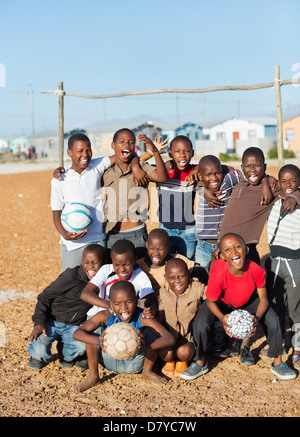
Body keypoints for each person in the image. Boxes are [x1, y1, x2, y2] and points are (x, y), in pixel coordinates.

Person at [180, 233, 297, 381]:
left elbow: (264, 300)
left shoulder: (255, 269)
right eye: (227, 250)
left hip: (248, 301)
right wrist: (223, 319)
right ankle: (199, 361)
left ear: (246, 249)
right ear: (222, 256)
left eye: (237, 247)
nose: (234, 252)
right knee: (201, 322)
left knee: (273, 319)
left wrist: (257, 318)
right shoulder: (219, 270)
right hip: (222, 303)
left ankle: (278, 362)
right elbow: (210, 301)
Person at [51, 132, 148, 271]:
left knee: (99, 284)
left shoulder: (97, 166)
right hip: (73, 244)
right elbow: (56, 213)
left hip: (98, 240)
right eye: (80, 151)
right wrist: (65, 235)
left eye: (88, 150)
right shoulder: (60, 180)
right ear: (69, 153)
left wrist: (136, 166)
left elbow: (126, 155)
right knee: (70, 282)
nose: (85, 154)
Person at [73, 280, 175, 392]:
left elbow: (169, 338)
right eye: (117, 304)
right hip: (109, 361)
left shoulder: (142, 317)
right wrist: (99, 340)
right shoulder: (105, 315)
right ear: (111, 304)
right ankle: (93, 377)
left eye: (128, 301)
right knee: (92, 333)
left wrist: (146, 346)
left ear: (136, 301)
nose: (124, 308)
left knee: (151, 332)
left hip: (135, 363)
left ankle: (147, 372)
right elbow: (77, 333)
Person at [27, 244, 105, 371]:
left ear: (104, 262)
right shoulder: (71, 276)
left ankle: (65, 354)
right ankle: (38, 356)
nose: (90, 266)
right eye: (86, 262)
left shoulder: (102, 281)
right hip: (51, 321)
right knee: (38, 350)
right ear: (81, 262)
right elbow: (44, 297)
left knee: (80, 347)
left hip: (74, 326)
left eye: (95, 262)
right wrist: (39, 323)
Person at [219, 147, 300, 265]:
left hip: (246, 248)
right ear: (242, 168)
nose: (252, 170)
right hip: (223, 246)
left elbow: (290, 189)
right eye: (247, 166)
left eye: (257, 165)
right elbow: (214, 168)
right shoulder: (238, 184)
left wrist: (294, 198)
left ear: (265, 167)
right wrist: (264, 179)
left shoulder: (272, 189)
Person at [103, 129, 167, 260]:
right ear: (113, 145)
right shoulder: (106, 170)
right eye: (121, 142)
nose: (126, 145)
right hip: (112, 234)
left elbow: (161, 177)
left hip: (137, 234)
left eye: (131, 142)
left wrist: (155, 152)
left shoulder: (142, 166)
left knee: (140, 273)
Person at [265, 164, 300, 370]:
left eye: (292, 181)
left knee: (296, 309)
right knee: (277, 306)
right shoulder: (275, 200)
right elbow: (260, 177)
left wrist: (297, 196)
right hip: (275, 262)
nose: (288, 185)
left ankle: (297, 348)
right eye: (283, 181)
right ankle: (279, 344)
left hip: (295, 263)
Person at [80, 239, 157, 319]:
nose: (122, 269)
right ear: (112, 260)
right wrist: (110, 305)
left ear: (134, 260)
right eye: (116, 264)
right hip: (100, 315)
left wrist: (150, 309)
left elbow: (150, 298)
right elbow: (85, 294)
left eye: (126, 264)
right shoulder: (106, 270)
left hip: (125, 317)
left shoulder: (140, 275)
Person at [157, 258, 206, 378]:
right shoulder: (163, 291)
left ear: (188, 274)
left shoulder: (196, 287)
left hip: (187, 337)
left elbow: (211, 295)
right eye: (172, 278)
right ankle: (169, 360)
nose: (177, 281)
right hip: (170, 336)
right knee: (166, 353)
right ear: (165, 277)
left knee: (184, 352)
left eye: (181, 276)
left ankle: (182, 361)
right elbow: (160, 314)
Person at [155, 135, 198, 259]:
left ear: (192, 153)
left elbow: (212, 164)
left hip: (188, 231)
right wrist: (159, 158)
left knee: (188, 264)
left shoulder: (194, 171)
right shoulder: (163, 170)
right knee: (166, 264)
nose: (182, 155)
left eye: (187, 151)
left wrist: (198, 168)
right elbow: (141, 165)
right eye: (177, 151)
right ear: (170, 153)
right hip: (166, 229)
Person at [137, 228, 208, 295]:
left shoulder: (177, 260)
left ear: (168, 247)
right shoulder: (139, 266)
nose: (156, 253)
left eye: (160, 249)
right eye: (152, 248)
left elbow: (199, 271)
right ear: (147, 245)